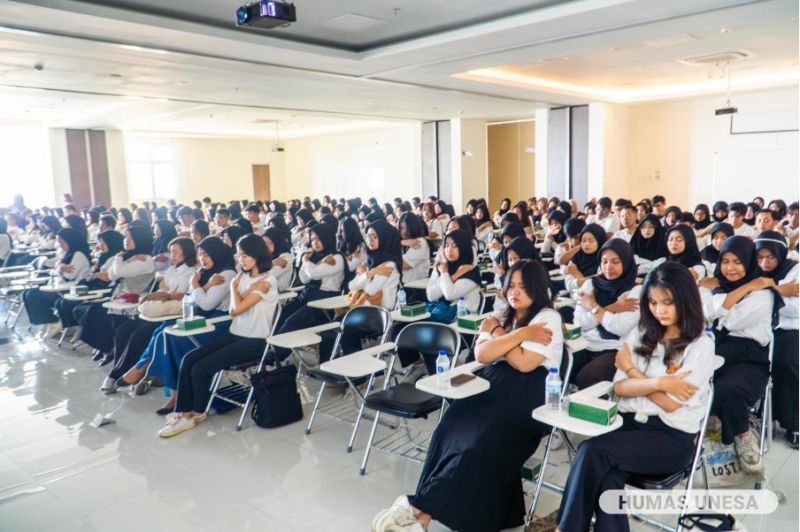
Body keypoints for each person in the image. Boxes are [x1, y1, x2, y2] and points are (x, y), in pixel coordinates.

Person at [373, 260, 563, 532]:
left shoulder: (548, 317)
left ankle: (417, 508)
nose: (515, 292)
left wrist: (500, 335)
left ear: (537, 288)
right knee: (447, 430)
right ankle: (422, 519)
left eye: (523, 286)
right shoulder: (505, 316)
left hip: (530, 394)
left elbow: (524, 363)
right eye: (511, 285)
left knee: (479, 442)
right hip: (493, 383)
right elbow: (482, 354)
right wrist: (516, 334)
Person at [557, 261, 715, 532]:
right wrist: (660, 382)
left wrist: (632, 371)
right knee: (607, 479)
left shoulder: (701, 346)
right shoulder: (643, 333)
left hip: (671, 437)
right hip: (629, 425)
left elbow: (669, 404)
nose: (659, 310)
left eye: (667, 302)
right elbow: (619, 388)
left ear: (685, 300)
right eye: (653, 303)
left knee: (591, 451)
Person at [157, 234, 278, 438]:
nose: (241, 260)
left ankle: (193, 412)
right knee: (189, 359)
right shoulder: (243, 277)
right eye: (239, 255)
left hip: (256, 340)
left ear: (258, 255)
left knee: (201, 367)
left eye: (246, 255)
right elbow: (236, 306)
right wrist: (241, 288)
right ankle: (186, 411)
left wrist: (234, 288)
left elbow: (235, 310)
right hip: (236, 334)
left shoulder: (268, 281)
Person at [699, 236, 776, 472]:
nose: (730, 268)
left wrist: (718, 306)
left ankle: (743, 435)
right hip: (714, 350)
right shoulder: (719, 285)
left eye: (737, 262)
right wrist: (748, 287)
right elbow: (705, 313)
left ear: (749, 262)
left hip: (749, 358)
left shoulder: (765, 294)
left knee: (726, 388)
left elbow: (727, 319)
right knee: (693, 380)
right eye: (725, 261)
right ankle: (699, 433)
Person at [100, 237, 196, 393]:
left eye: (175, 252)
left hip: (171, 314)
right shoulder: (172, 269)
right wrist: (166, 292)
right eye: (171, 252)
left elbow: (178, 294)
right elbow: (166, 290)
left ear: (186, 253)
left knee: (138, 336)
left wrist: (165, 291)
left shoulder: (190, 272)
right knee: (123, 331)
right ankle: (121, 369)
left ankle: (120, 374)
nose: (172, 256)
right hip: (157, 310)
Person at [75, 224, 155, 362]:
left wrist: (118, 257)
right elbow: (112, 275)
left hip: (133, 300)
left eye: (130, 237)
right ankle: (107, 348)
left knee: (96, 312)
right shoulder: (130, 257)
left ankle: (108, 348)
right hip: (120, 298)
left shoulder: (145, 260)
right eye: (125, 237)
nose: (126, 240)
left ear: (140, 239)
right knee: (90, 310)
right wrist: (121, 261)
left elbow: (117, 272)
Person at [571, 239, 642, 389]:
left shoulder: (636, 291)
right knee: (561, 364)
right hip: (586, 344)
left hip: (616, 349)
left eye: (615, 262)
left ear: (626, 262)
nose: (609, 267)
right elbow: (579, 323)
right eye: (604, 262)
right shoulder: (590, 284)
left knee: (588, 376)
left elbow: (618, 327)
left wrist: (592, 306)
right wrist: (612, 307)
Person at [754, 231, 799, 448]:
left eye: (771, 257)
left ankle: (793, 423)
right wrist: (777, 291)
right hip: (756, 327)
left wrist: (760, 295)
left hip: (788, 329)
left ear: (780, 254)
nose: (765, 262)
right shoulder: (749, 270)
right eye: (760, 257)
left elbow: (795, 310)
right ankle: (760, 418)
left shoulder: (795, 270)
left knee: (787, 364)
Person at [22, 228, 92, 326]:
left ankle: (51, 321)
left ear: (70, 241)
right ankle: (46, 321)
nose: (60, 245)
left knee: (33, 295)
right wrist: (59, 268)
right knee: (27, 293)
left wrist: (59, 268)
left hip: (71, 289)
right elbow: (55, 269)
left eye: (62, 243)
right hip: (61, 286)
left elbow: (70, 275)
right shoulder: (67, 253)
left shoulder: (78, 254)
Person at [426, 229, 481, 314]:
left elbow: (450, 294)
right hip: (442, 314)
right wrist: (454, 276)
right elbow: (431, 296)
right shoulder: (442, 267)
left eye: (454, 246)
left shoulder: (470, 270)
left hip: (464, 320)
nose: (449, 250)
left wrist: (445, 274)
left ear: (463, 248)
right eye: (447, 246)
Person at [564, 223, 607, 292]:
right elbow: (568, 285)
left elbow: (596, 287)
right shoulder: (578, 256)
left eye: (591, 241)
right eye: (583, 241)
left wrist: (576, 273)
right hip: (576, 298)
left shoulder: (605, 259)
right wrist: (587, 280)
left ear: (600, 241)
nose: (586, 244)